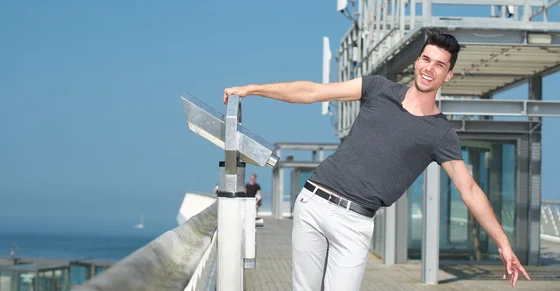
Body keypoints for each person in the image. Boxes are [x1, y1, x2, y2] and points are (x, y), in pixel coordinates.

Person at [223, 32, 530, 290]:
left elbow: (470, 190)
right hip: (313, 202)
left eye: (439, 65)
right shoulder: (378, 88)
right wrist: (252, 89)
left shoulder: (441, 133)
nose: (429, 68)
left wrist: (503, 243)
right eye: (426, 59)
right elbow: (313, 92)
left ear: (448, 75)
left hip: (355, 222)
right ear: (416, 61)